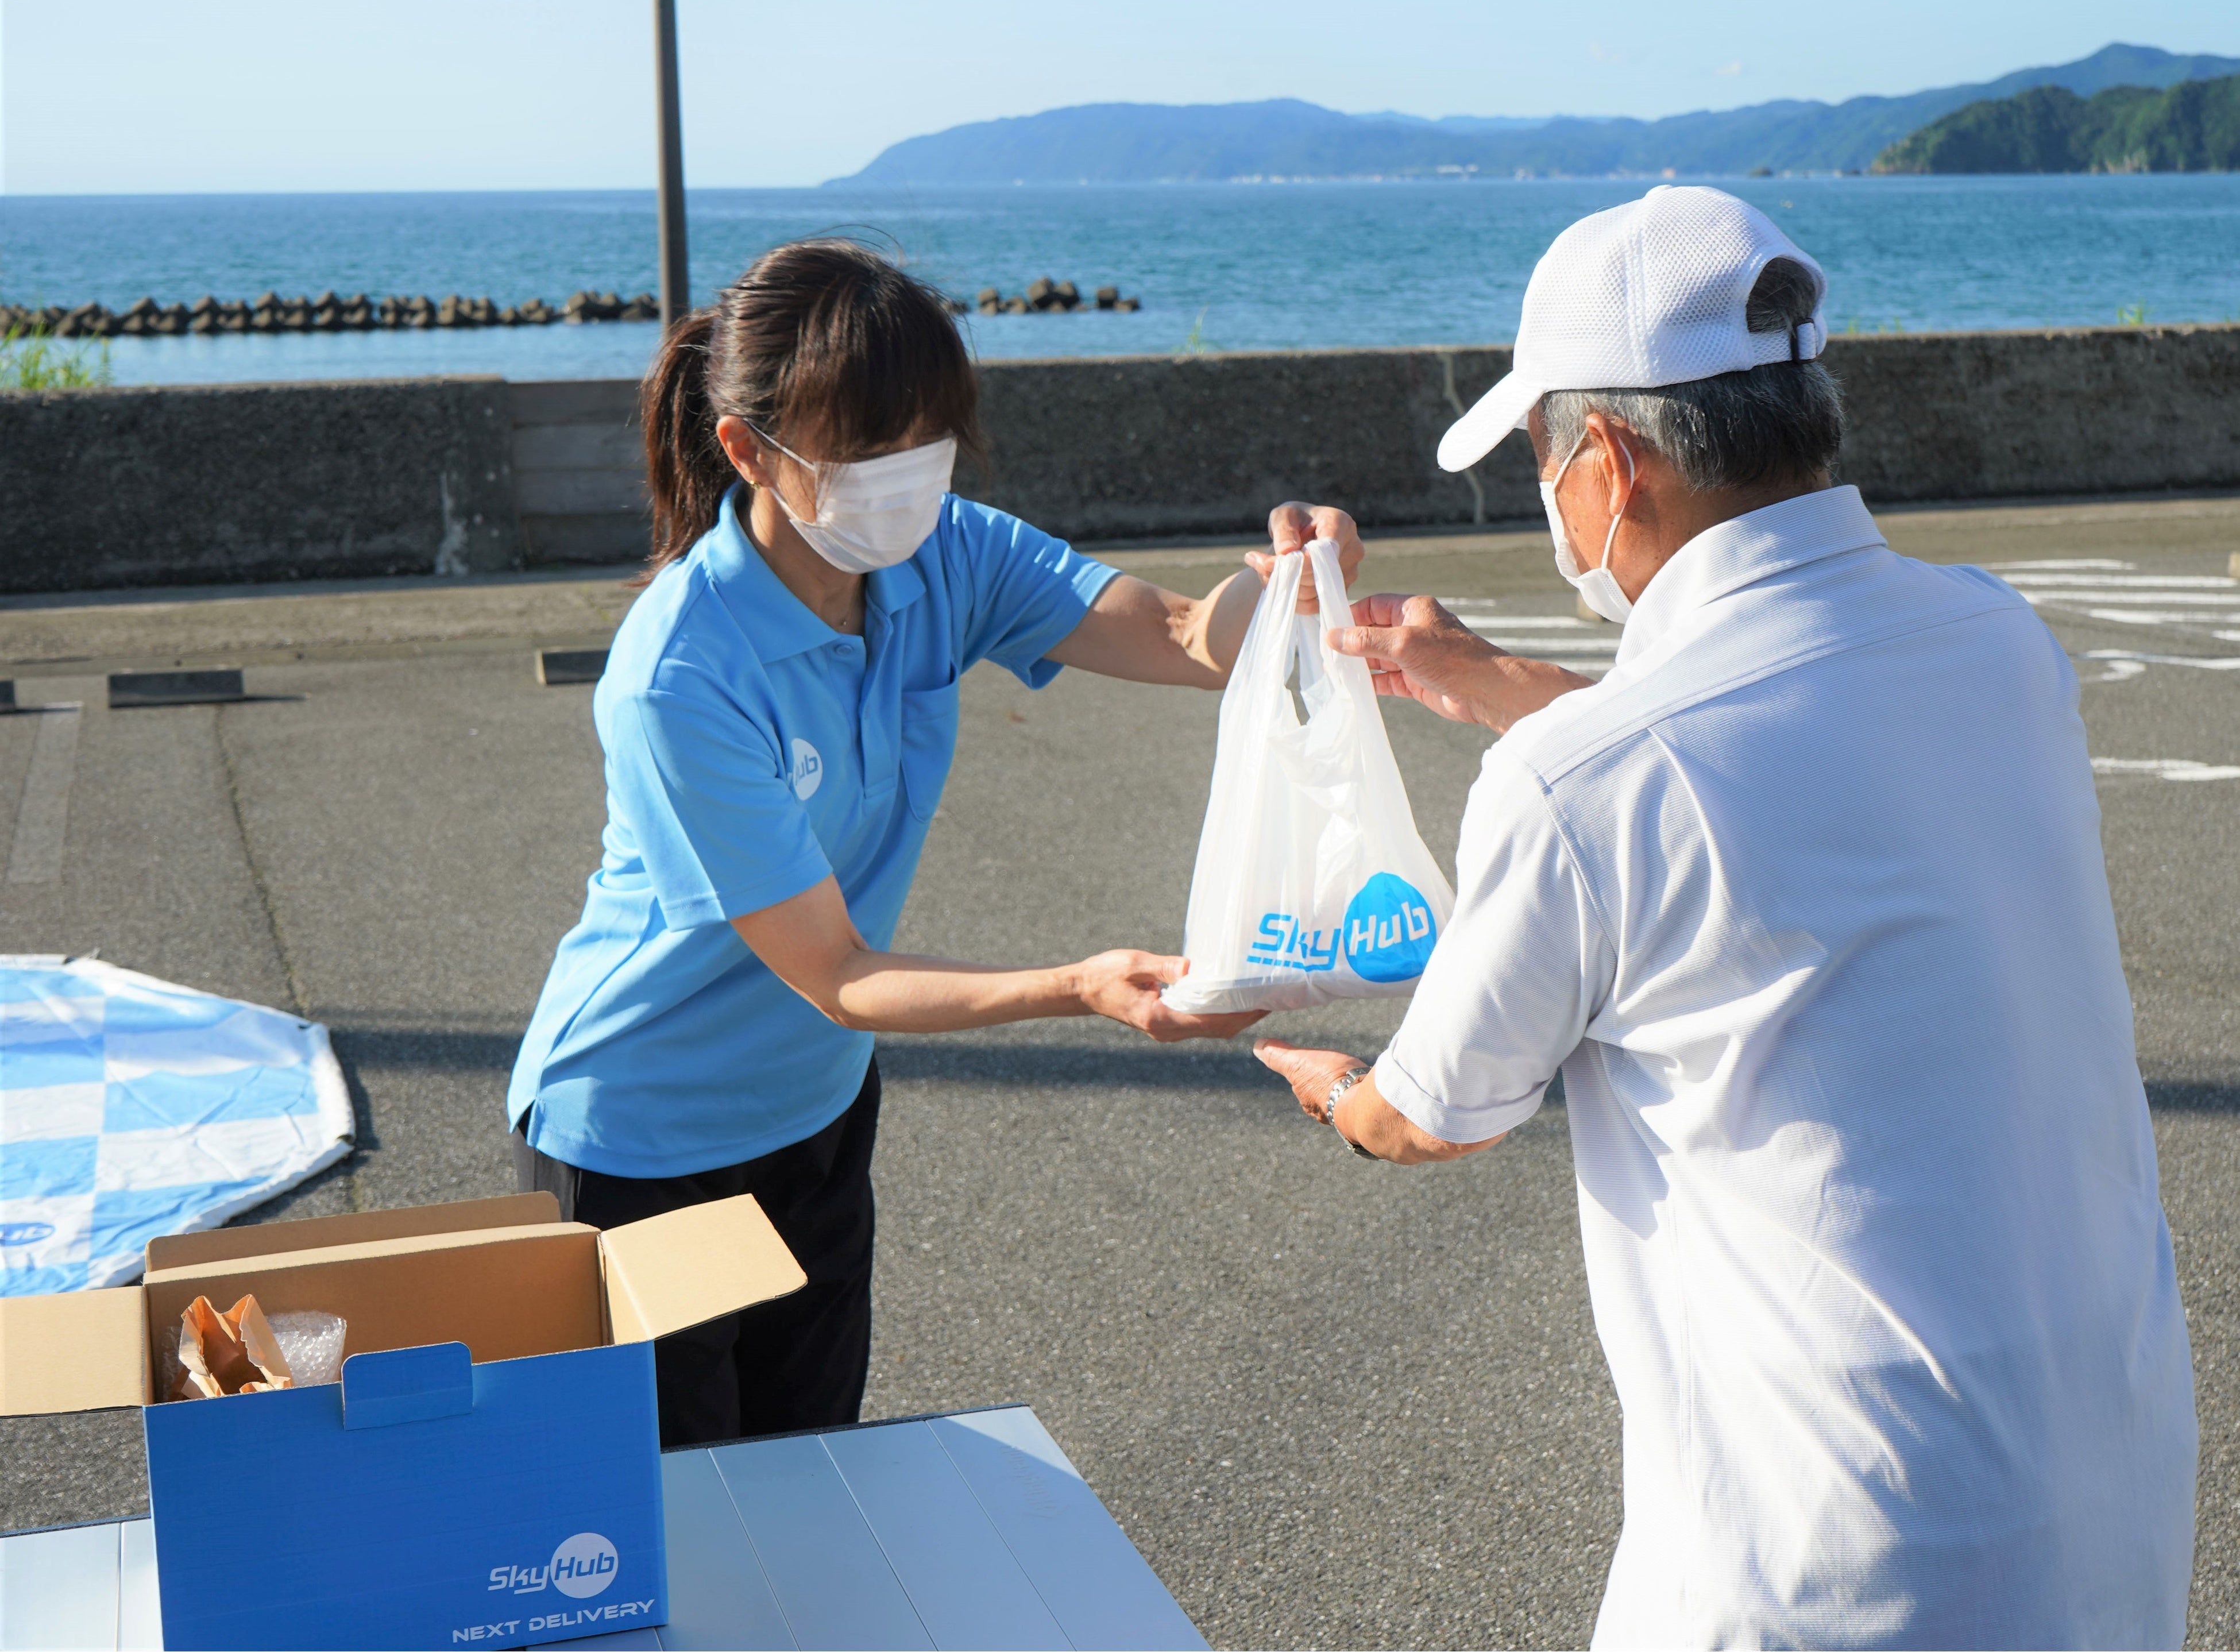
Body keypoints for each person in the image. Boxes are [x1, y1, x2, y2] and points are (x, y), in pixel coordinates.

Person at [1253, 187, 2197, 1647]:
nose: (1544, 495)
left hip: (1829, 1556)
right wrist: (1498, 681)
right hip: (2107, 1492)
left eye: (1541, 457)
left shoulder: (1582, 779)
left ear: (1613, 465)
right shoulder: (1997, 642)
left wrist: (1334, 1091)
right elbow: (1783, 755)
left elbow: (1436, 1110)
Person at [508, 239, 1355, 1445]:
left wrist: (1291, 591)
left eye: (926, 435)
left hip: (815, 1113)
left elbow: (1181, 636)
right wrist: (1081, 986)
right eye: (865, 447)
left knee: (807, 1484)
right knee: (671, 1537)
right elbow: (838, 972)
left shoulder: (944, 553)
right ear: (750, 450)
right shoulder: (681, 671)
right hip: (643, 1142)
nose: (907, 476)